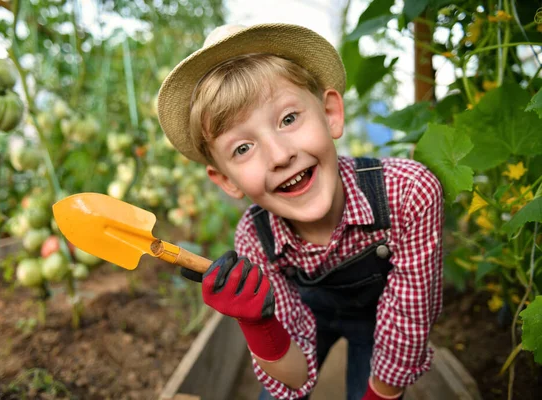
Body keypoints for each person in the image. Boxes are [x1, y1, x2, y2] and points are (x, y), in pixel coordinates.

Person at [157, 23, 444, 400]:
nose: (280, 155)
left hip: (384, 320)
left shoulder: (407, 192)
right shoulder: (255, 236)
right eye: (242, 148)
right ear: (226, 179)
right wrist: (258, 323)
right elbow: (293, 378)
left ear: (330, 113)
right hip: (308, 315)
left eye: (288, 119)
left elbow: (408, 324)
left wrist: (380, 393)